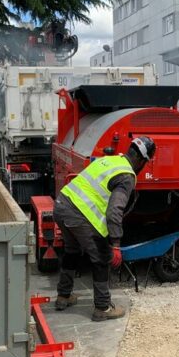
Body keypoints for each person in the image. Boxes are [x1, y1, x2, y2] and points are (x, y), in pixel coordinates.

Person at [53, 136, 156, 321]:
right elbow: (114, 212)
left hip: (61, 204)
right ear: (142, 160)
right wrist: (115, 245)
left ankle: (64, 296)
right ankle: (102, 307)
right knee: (102, 258)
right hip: (79, 214)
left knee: (72, 250)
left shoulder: (109, 160)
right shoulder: (126, 176)